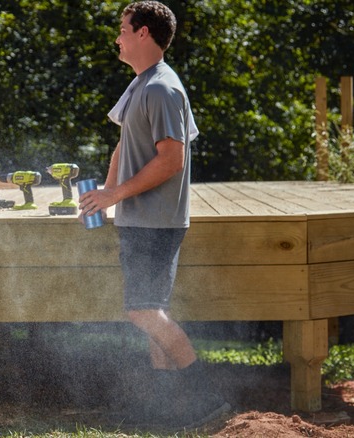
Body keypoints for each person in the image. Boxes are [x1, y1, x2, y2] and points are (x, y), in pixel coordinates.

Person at [78, 1, 229, 427]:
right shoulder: (142, 84)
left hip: (157, 220)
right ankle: (164, 407)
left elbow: (171, 160)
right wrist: (105, 195)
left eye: (123, 29)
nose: (118, 37)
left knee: (143, 311)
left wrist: (116, 195)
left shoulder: (162, 88)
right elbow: (126, 146)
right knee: (151, 310)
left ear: (144, 33)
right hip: (138, 217)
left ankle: (208, 400)